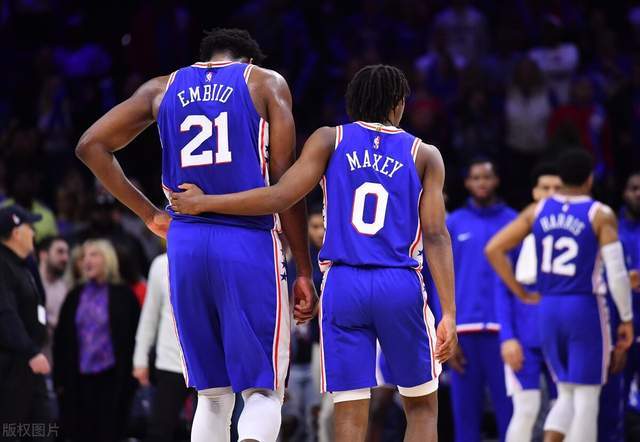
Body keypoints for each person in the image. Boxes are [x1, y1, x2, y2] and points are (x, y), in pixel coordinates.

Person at [170, 64, 458, 442]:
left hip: (342, 284)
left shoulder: (329, 139)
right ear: (399, 103)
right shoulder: (425, 155)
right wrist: (449, 312)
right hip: (398, 282)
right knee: (421, 408)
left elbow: (280, 196)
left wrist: (206, 202)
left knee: (349, 413)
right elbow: (436, 236)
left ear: (353, 103)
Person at [75, 28, 316, 442]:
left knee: (212, 394)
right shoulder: (264, 82)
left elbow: (90, 146)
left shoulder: (162, 87)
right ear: (248, 60)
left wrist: (149, 214)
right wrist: (304, 270)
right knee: (262, 389)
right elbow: (286, 185)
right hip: (246, 240)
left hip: (185, 244)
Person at [485, 149, 634, 442]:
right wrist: (626, 318)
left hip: (548, 307)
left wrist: (519, 291)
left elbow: (493, 249)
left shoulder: (537, 210)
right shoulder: (599, 213)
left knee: (565, 393)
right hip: (584, 306)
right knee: (587, 398)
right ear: (590, 179)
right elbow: (617, 274)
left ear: (561, 179)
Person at [445, 158, 515, 442]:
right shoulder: (453, 223)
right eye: (475, 178)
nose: (481, 183)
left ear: (496, 180)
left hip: (505, 334)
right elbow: (439, 282)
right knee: (465, 418)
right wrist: (444, 333)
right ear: (467, 183)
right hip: (463, 334)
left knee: (512, 416)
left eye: (486, 177)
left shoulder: (514, 221)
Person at [491, 163, 562, 442]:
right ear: (534, 192)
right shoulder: (518, 232)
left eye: (557, 188)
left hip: (561, 334)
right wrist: (507, 337)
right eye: (545, 188)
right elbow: (501, 288)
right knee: (526, 409)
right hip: (524, 336)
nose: (551, 193)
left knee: (565, 409)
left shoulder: (574, 230)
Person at [53, 239, 140, 442]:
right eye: (84, 256)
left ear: (107, 259)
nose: (87, 260)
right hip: (79, 381)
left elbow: (134, 337)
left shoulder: (124, 296)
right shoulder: (75, 295)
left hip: (113, 379)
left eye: (94, 255)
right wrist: (60, 380)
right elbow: (62, 340)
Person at [0, 205, 53, 440]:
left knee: (42, 428)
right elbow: (5, 313)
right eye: (30, 227)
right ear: (16, 232)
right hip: (11, 368)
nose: (34, 232)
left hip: (28, 366)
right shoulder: (3, 265)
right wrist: (30, 351)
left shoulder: (22, 265)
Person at [133, 253, 193, 442]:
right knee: (159, 430)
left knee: (210, 431)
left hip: (208, 363)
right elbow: (150, 314)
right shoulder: (161, 264)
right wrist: (140, 359)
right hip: (170, 361)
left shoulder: (215, 256)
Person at [36, 236, 70, 363]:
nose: (65, 258)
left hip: (57, 359)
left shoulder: (66, 288)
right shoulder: (28, 284)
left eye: (67, 253)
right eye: (60, 252)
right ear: (43, 255)